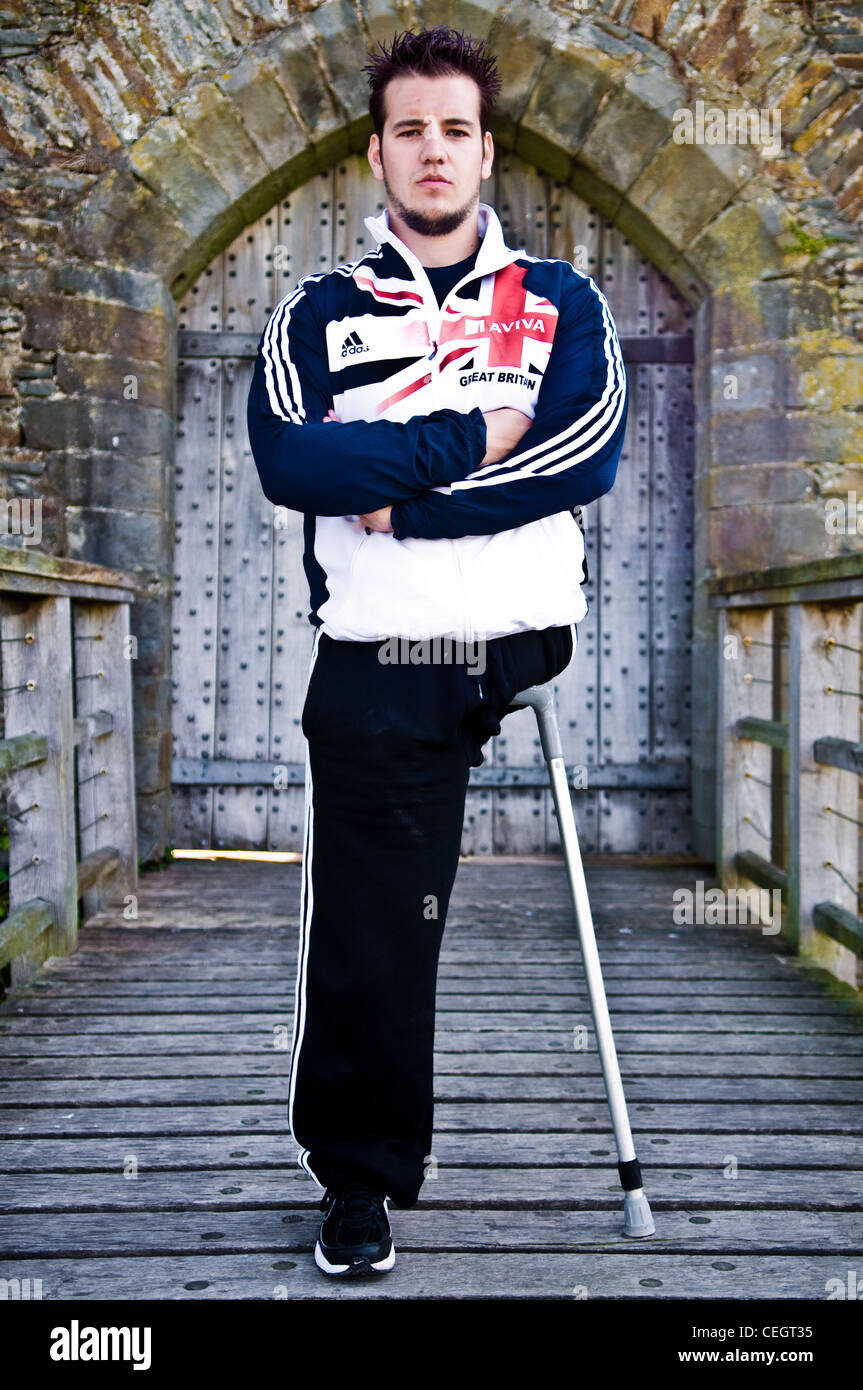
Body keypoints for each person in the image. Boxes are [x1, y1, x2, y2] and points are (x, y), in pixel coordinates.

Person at [246, 24, 628, 1277]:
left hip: (518, 637)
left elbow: (582, 455)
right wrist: (474, 436)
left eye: (453, 129)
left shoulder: (562, 299)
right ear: (377, 150)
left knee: (469, 619)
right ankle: (359, 1182)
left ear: (482, 148)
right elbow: (293, 462)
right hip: (382, 649)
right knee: (372, 926)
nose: (431, 150)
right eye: (408, 128)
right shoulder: (318, 309)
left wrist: (402, 492)